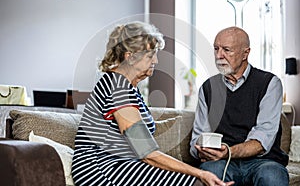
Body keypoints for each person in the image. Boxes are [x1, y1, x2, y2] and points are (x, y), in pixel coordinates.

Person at [71, 21, 234, 186]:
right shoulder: (117, 87)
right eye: (150, 55)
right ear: (130, 57)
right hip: (100, 170)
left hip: (122, 164)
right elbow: (146, 152)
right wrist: (201, 172)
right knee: (195, 182)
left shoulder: (130, 88)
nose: (156, 60)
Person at [190, 26, 289, 186]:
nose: (218, 55)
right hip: (220, 162)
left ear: (245, 53)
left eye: (226, 50)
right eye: (216, 49)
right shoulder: (208, 88)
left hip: (262, 161)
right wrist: (201, 149)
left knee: (272, 176)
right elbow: (199, 136)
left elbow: (263, 138)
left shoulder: (269, 83)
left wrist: (229, 152)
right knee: (208, 173)